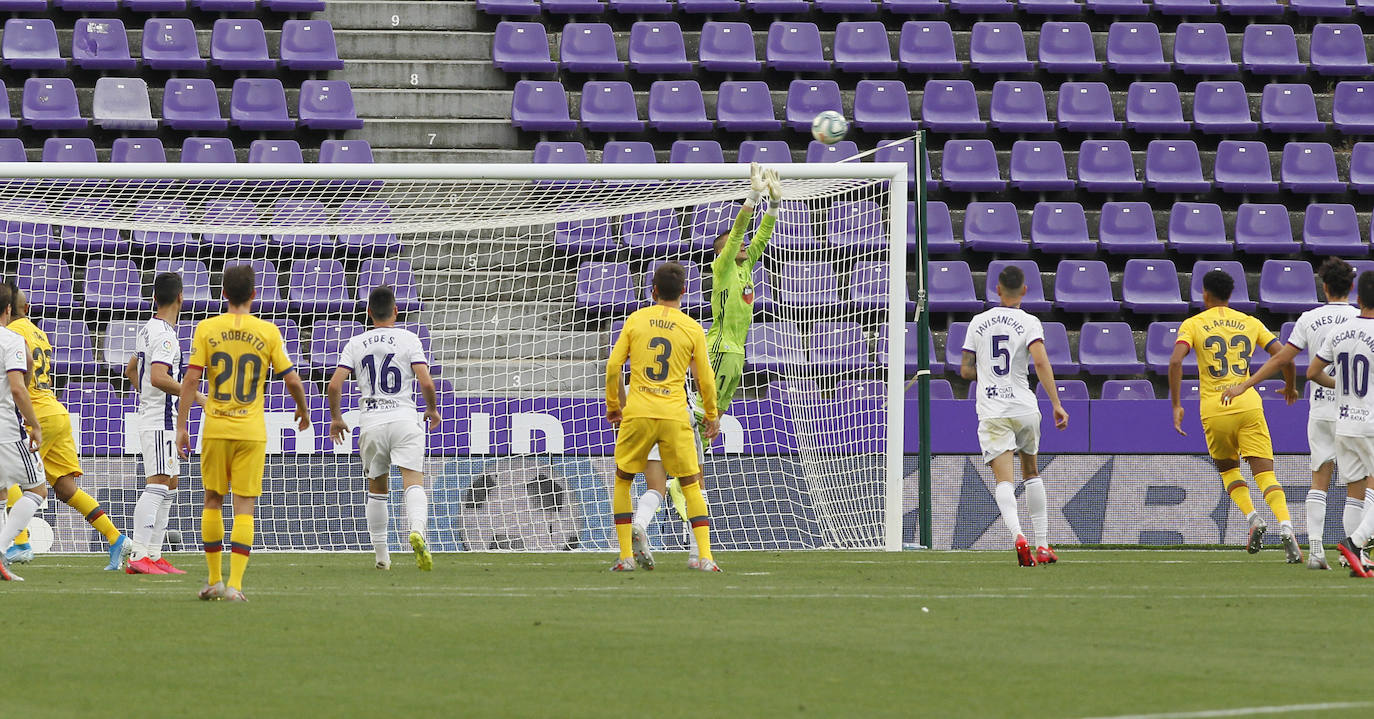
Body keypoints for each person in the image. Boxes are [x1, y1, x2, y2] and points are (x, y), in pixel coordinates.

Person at [633, 165, 782, 569]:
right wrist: (751, 201)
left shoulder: (747, 268)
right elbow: (737, 235)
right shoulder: (721, 269)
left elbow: (760, 237)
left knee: (708, 424)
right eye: (737, 245)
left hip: (738, 355)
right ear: (723, 251)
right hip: (718, 347)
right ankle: (684, 476)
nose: (746, 245)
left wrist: (774, 205)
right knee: (698, 416)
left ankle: (684, 471)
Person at [177, 265, 309, 602]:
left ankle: (213, 580)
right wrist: (303, 408)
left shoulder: (207, 329)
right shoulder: (267, 332)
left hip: (216, 428)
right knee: (244, 507)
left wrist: (182, 425)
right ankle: (235, 586)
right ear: (253, 294)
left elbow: (191, 380)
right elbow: (292, 379)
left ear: (222, 294)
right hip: (251, 430)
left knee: (212, 499)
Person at [1221, 258, 1358, 570]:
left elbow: (1282, 358)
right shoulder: (1362, 319)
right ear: (1351, 287)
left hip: (1321, 409)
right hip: (1354, 411)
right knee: (1357, 484)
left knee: (1319, 479)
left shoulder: (1310, 319)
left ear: (1324, 287)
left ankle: (1317, 553)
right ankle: (1352, 554)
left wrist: (1246, 384)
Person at [1170, 269, 1301, 561]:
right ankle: (1286, 526)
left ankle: (1253, 518)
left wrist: (1177, 404)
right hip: (1248, 402)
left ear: (1205, 293)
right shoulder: (1250, 322)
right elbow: (1284, 358)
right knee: (1265, 474)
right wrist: (1290, 388)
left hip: (1215, 409)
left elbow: (1176, 360)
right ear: (1230, 294)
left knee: (1229, 470)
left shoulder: (1193, 324)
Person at [2, 281, 129, 570]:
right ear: (27, 308)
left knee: (9, 476)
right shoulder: (40, 333)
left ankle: (20, 543)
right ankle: (115, 537)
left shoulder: (10, 334)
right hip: (56, 411)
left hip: (34, 415)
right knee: (64, 487)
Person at [605, 262, 720, 572]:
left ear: (652, 290)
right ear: (684, 292)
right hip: (674, 413)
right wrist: (711, 414)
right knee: (691, 484)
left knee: (623, 481)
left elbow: (614, 367)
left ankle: (626, 556)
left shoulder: (636, 320)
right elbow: (705, 379)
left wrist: (614, 407)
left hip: (639, 412)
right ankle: (705, 558)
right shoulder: (692, 327)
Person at [960, 265, 1068, 567]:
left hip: (993, 409)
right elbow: (1041, 361)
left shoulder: (978, 322)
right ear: (1023, 290)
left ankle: (1018, 536)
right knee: (1031, 472)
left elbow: (966, 370)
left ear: (997, 289)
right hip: (1024, 406)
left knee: (1003, 480)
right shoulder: (1029, 322)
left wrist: (987, 375)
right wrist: (1057, 403)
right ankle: (1044, 544)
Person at [327, 286, 441, 571]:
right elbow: (426, 382)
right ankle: (417, 530)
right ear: (396, 311)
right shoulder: (409, 338)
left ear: (368, 313)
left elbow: (334, 385)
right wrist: (431, 408)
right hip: (404, 418)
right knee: (414, 482)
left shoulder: (355, 343)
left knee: (377, 490)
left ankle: (382, 558)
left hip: (372, 422)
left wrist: (337, 418)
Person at [124, 272, 202, 575]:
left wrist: (145, 396)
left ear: (154, 298)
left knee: (170, 485)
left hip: (159, 418)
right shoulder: (167, 336)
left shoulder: (147, 329)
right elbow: (157, 376)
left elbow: (132, 368)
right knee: (158, 484)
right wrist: (196, 396)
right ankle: (138, 553)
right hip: (160, 420)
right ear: (180, 297)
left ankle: (154, 555)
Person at [1308, 270, 1374, 577]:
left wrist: (1341, 385)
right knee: (1366, 490)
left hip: (1344, 421)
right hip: (1371, 422)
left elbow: (1312, 372)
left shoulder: (1341, 331)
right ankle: (1355, 543)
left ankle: (1355, 559)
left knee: (1356, 492)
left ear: (1358, 298)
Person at [0, 283, 47, 581]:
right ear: (8, 310)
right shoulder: (11, 340)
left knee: (1, 493)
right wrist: (35, 424)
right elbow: (18, 387)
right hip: (6, 431)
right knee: (38, 489)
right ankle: (1, 549)